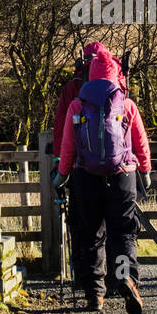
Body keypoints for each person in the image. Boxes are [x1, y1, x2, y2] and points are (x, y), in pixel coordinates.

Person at [54, 44, 151, 314]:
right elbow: (140, 143)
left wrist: (61, 175)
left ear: (90, 74)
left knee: (91, 235)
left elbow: (67, 147)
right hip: (122, 177)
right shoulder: (127, 104)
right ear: (117, 74)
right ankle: (124, 278)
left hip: (87, 177)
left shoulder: (77, 104)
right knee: (122, 233)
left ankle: (95, 294)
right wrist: (145, 171)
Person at [51, 44, 103, 298]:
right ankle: (114, 278)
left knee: (81, 223)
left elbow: (62, 129)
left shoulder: (72, 89)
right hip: (115, 169)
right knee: (112, 224)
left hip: (79, 168)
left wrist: (61, 165)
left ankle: (84, 277)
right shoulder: (116, 85)